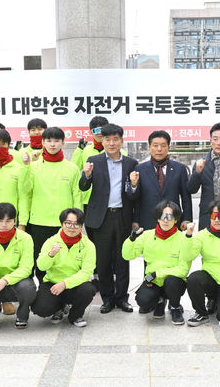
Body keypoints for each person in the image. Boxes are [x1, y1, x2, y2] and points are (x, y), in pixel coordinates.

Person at [79, 123, 139, 313]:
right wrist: (86, 175)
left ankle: (122, 298)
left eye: (115, 139)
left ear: (122, 141)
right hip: (100, 218)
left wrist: (135, 186)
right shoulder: (93, 160)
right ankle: (107, 298)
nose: (111, 143)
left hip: (122, 215)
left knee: (123, 258)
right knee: (102, 261)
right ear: (101, 140)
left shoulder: (131, 163)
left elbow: (134, 195)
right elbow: (83, 187)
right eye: (107, 139)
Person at [22, 127, 82, 284]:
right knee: (41, 262)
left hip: (65, 224)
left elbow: (77, 196)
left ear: (63, 142)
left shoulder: (72, 168)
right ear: (42, 142)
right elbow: (25, 192)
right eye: (49, 140)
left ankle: (65, 294)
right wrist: (26, 167)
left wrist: (77, 221)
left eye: (56, 141)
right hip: (38, 222)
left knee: (64, 261)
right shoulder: (33, 167)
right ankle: (44, 292)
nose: (53, 144)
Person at [122, 201, 195, 324]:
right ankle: (159, 301)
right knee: (142, 300)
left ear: (176, 220)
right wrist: (131, 239)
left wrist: (157, 273)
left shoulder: (183, 239)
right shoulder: (147, 235)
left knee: (172, 281)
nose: (166, 220)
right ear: (157, 218)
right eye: (162, 217)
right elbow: (127, 255)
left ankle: (175, 306)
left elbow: (183, 269)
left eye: (170, 217)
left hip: (173, 281)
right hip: (153, 281)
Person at [31, 208, 97, 327]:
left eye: (77, 224)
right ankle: (59, 308)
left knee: (88, 289)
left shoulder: (88, 245)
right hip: (53, 284)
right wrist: (50, 255)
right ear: (62, 224)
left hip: (75, 285)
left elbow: (86, 272)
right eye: (68, 223)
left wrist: (65, 284)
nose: (72, 227)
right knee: (40, 309)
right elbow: (41, 266)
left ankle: (76, 315)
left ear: (81, 226)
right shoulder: (51, 241)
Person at [0, 203, 37, 329]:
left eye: (8, 221)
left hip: (16, 282)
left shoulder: (26, 238)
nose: (4, 225)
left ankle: (22, 315)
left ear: (15, 221)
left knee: (28, 287)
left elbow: (26, 268)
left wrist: (5, 280)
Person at [131, 130, 193, 230]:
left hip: (173, 220)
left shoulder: (179, 168)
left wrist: (187, 219)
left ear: (168, 147)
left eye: (163, 145)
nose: (159, 149)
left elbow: (186, 197)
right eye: (155, 145)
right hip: (147, 221)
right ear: (149, 147)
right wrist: (135, 220)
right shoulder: (140, 169)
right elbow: (136, 200)